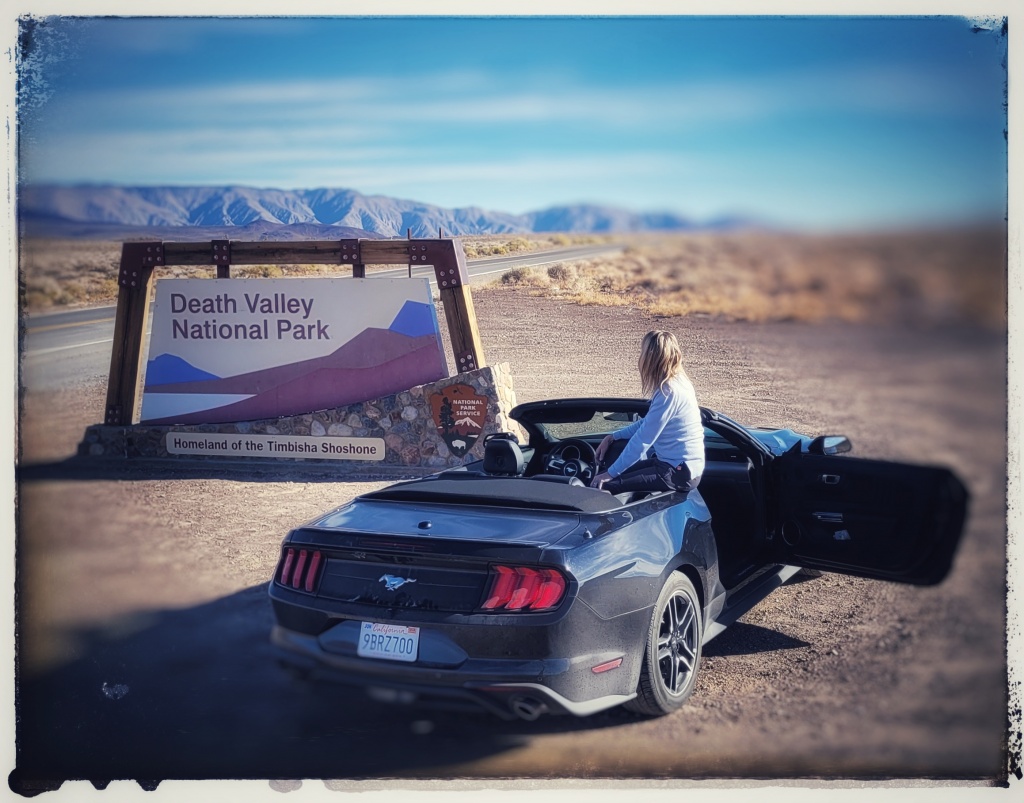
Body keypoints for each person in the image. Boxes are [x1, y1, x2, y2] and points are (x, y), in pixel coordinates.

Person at [591, 330, 704, 497]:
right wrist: (613, 437)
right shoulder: (678, 382)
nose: (640, 357)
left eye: (642, 352)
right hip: (675, 466)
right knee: (613, 474)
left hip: (678, 472)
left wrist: (609, 475)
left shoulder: (669, 392)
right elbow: (647, 423)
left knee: (603, 486)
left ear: (652, 358)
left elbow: (643, 440)